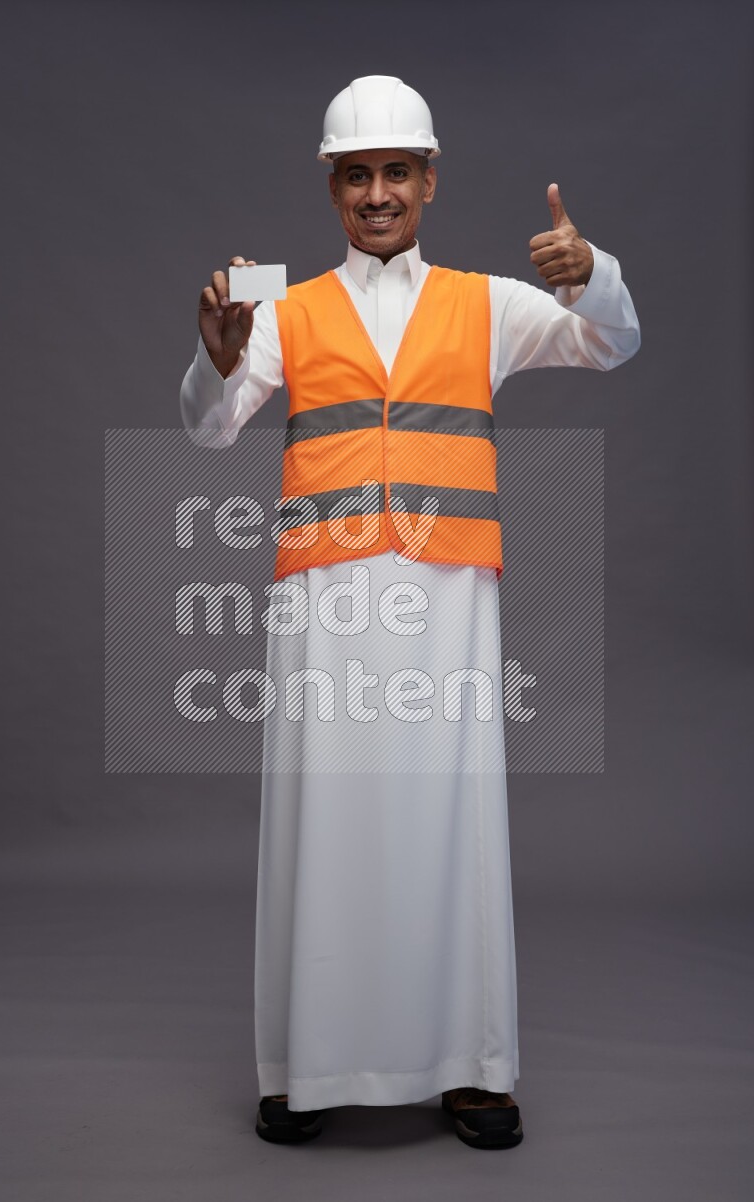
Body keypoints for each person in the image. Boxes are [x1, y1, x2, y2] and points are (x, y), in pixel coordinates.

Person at [179, 75, 640, 1150]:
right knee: (319, 813)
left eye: (395, 172)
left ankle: (471, 1067)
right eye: (355, 175)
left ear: (428, 181)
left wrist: (595, 275)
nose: (376, 193)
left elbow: (608, 343)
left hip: (444, 597)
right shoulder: (277, 310)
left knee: (450, 820)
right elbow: (206, 430)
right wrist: (210, 367)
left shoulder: (486, 303)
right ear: (331, 188)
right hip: (323, 596)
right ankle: (304, 1061)